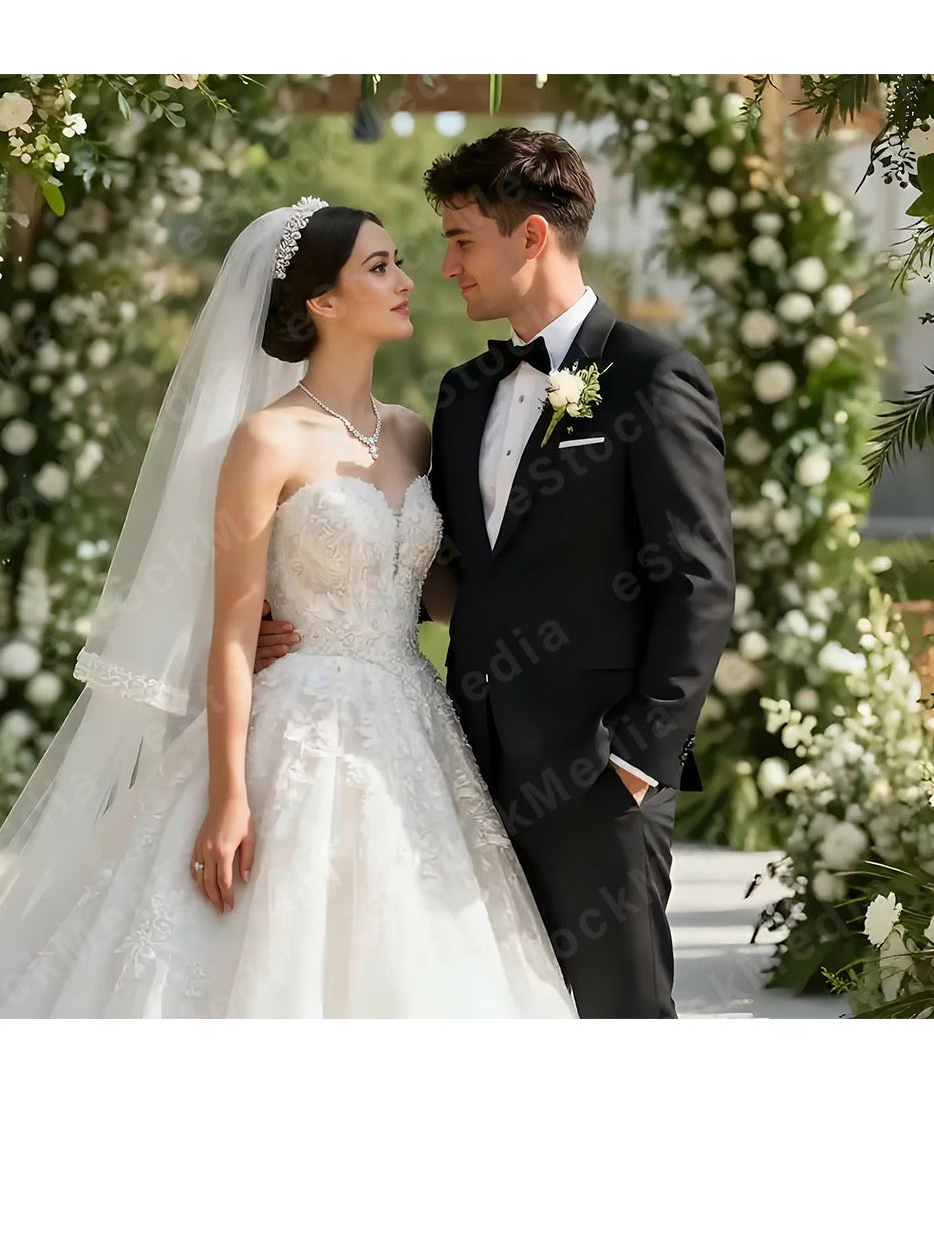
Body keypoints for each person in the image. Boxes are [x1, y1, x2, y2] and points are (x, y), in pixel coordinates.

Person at [0, 198, 575, 1017]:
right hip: (296, 726)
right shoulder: (265, 441)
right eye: (380, 266)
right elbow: (235, 636)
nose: (407, 281)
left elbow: (436, 591)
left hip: (413, 727)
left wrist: (559, 610)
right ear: (322, 301)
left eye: (399, 263)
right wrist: (229, 796)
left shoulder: (414, 434)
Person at [257, 130, 735, 1016]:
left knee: (620, 1017)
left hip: (598, 774)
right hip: (458, 772)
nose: (445, 267)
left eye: (461, 241)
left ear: (533, 237)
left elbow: (698, 581)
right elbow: (422, 558)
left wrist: (640, 758)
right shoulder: (463, 392)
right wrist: (286, 614)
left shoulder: (652, 380)